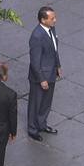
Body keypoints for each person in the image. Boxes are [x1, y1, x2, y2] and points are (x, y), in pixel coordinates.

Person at [26, 7, 60, 140]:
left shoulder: (51, 29)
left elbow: (54, 49)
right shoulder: (37, 36)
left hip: (51, 72)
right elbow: (35, 62)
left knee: (46, 102)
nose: (55, 20)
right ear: (43, 20)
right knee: (36, 103)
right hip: (41, 76)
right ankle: (32, 129)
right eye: (52, 18)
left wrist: (58, 65)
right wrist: (42, 79)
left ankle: (41, 124)